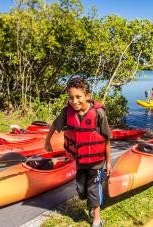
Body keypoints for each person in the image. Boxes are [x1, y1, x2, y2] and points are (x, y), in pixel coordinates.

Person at [44, 77, 112, 227]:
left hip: (97, 162)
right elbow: (55, 125)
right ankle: (92, 207)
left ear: (87, 96)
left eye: (78, 97)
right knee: (82, 190)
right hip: (80, 161)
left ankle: (96, 220)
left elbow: (107, 139)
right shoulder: (67, 112)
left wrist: (109, 162)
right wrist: (47, 140)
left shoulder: (99, 113)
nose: (74, 101)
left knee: (93, 189)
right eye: (71, 97)